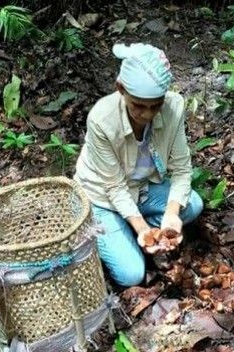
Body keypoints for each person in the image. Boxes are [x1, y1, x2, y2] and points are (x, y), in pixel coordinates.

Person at [74, 43, 203, 287]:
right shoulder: (102, 120)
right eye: (139, 106)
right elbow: (113, 187)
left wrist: (172, 215)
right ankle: (115, 233)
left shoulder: (174, 107)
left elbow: (182, 168)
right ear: (121, 89)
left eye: (155, 105)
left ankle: (129, 235)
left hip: (141, 188)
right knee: (132, 274)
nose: (147, 114)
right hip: (101, 198)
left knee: (192, 205)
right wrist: (143, 228)